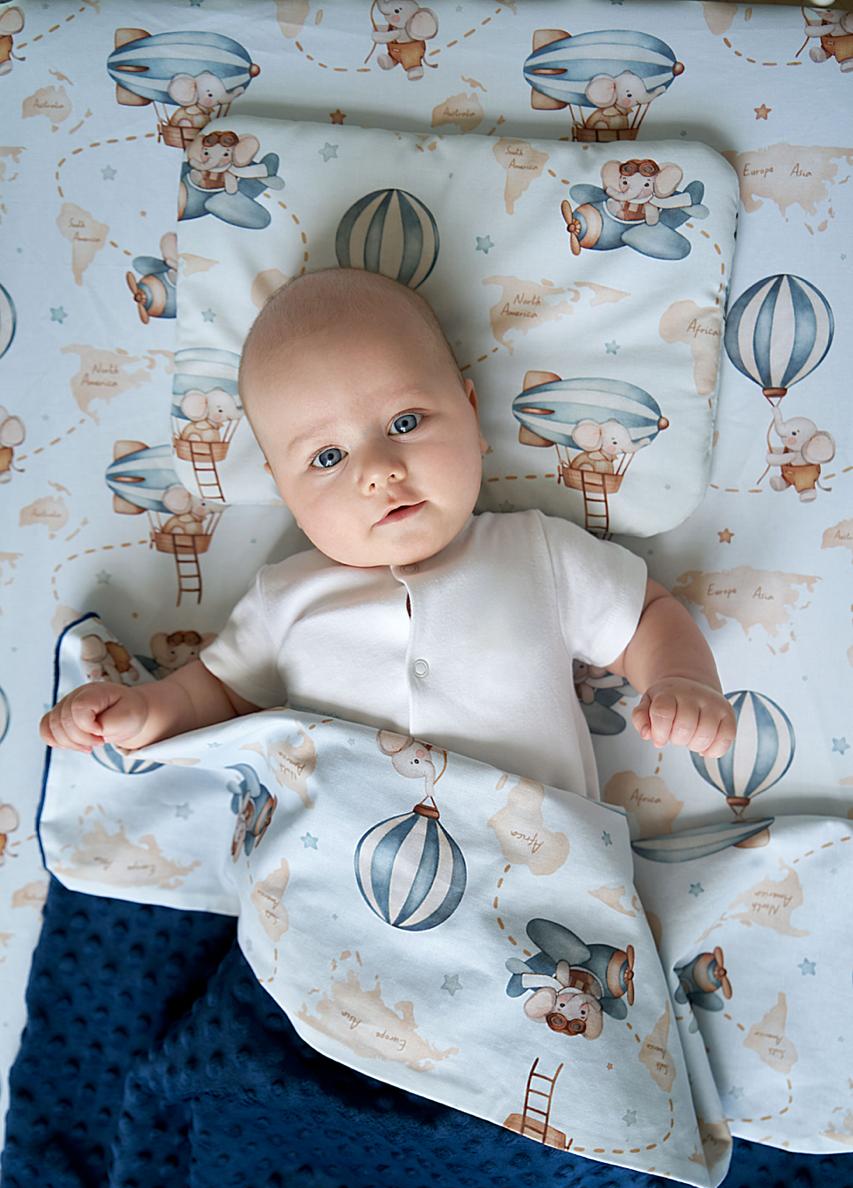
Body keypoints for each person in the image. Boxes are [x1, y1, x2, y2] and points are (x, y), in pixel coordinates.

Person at [39, 267, 736, 799]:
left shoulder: (534, 551)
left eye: (404, 422)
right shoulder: (285, 595)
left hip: (537, 872)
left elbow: (646, 613)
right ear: (285, 492)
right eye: (326, 457)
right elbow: (216, 694)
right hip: (333, 886)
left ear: (469, 412)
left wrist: (679, 679)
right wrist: (141, 712)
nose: (377, 471)